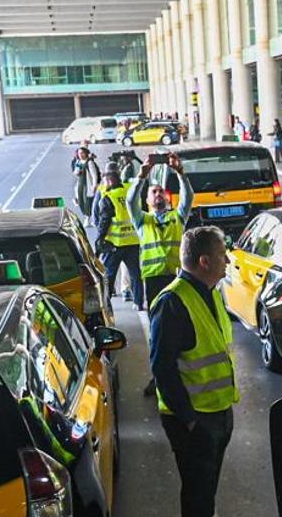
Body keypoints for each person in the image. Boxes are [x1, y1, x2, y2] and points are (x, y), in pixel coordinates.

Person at [148, 225, 247, 517]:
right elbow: (161, 368)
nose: (227, 260)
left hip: (217, 414)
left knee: (204, 503)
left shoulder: (209, 293)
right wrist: (189, 421)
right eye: (223, 254)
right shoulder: (173, 302)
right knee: (197, 506)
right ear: (205, 261)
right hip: (196, 423)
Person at [127, 153, 195, 396]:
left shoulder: (178, 217)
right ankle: (159, 377)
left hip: (177, 281)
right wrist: (141, 177)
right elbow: (129, 202)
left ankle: (180, 375)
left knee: (180, 332)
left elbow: (188, 198)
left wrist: (180, 173)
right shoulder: (141, 220)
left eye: (161, 192)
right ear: (147, 199)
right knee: (158, 335)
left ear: (167, 197)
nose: (158, 195)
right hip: (154, 283)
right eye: (153, 192)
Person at [91, 162, 143, 308]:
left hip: (115, 244)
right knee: (135, 274)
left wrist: (99, 241)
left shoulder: (108, 197)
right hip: (133, 240)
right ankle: (139, 302)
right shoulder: (129, 190)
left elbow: (103, 222)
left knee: (108, 276)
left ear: (108, 179)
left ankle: (106, 305)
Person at [72, 146, 102, 216]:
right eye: (79, 153)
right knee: (81, 200)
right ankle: (86, 215)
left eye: (82, 153)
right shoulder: (78, 162)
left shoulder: (89, 162)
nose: (81, 155)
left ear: (86, 153)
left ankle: (89, 217)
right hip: (80, 184)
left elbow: (94, 175)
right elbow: (75, 172)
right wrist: (76, 172)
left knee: (88, 202)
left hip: (88, 184)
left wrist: (94, 186)